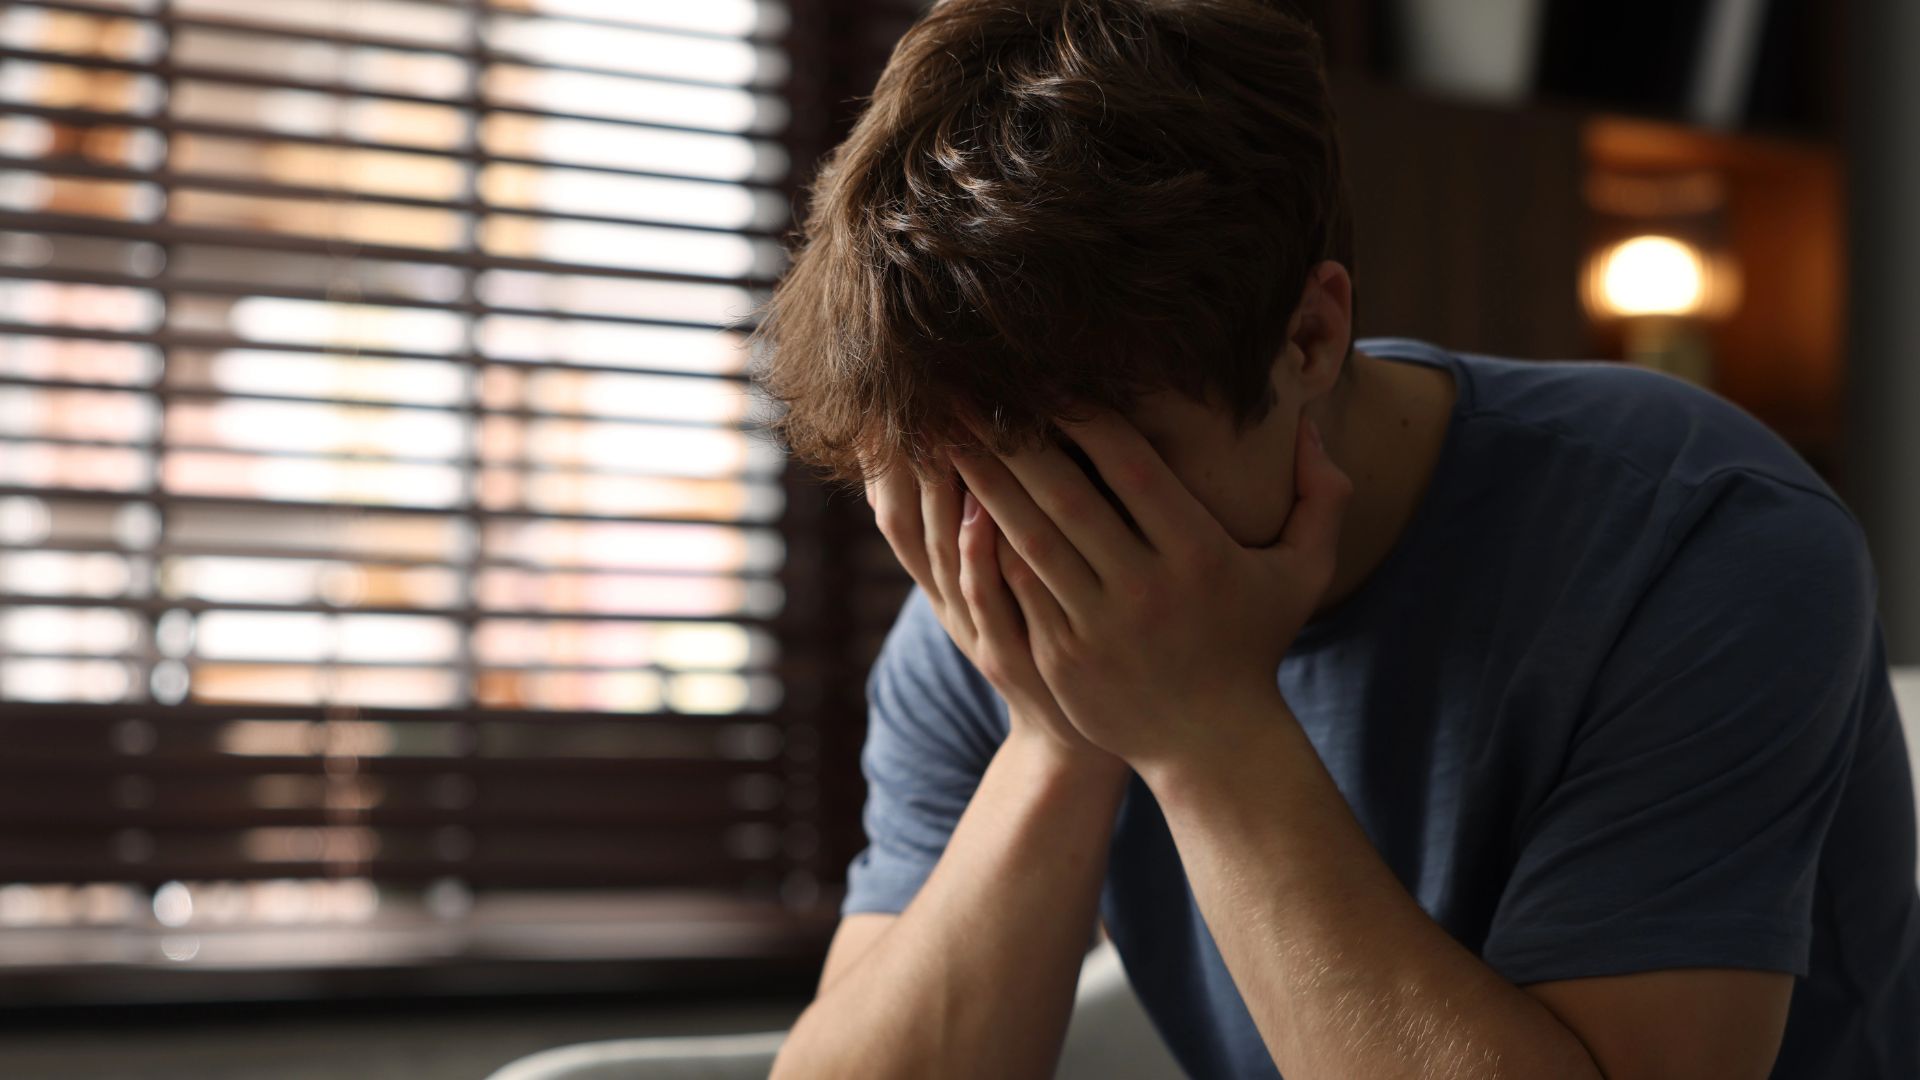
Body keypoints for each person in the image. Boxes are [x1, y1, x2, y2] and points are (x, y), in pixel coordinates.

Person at [749, 1, 1920, 1077]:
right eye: (958, 475)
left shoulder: (1702, 538)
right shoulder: (984, 584)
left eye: (1097, 466)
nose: (1030, 544)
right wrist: (1058, 734)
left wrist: (1205, 734)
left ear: (1308, 337)